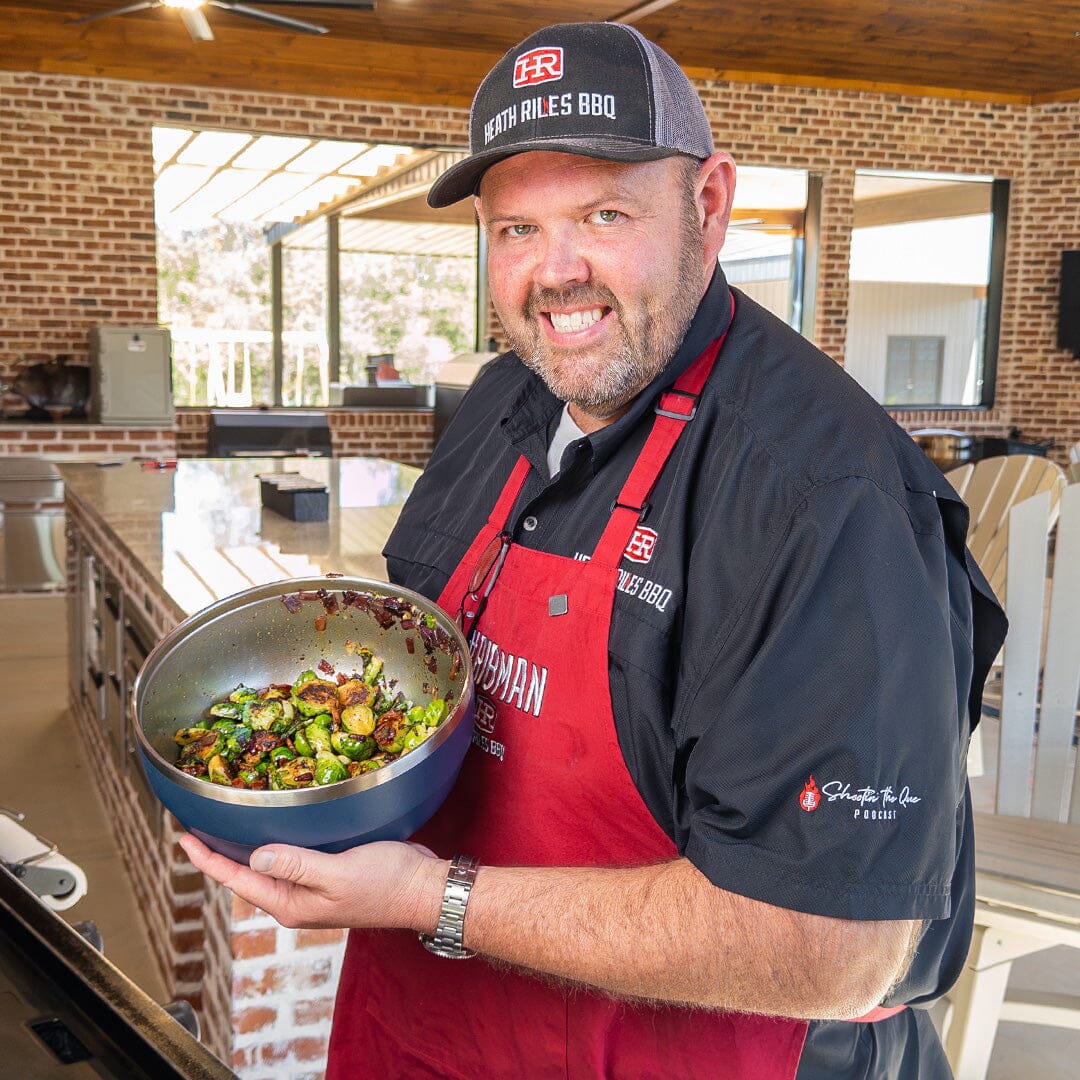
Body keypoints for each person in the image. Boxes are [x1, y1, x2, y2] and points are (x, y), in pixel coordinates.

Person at [181, 21, 1007, 1079]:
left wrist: (432, 898)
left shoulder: (827, 498)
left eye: (604, 215)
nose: (556, 273)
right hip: (428, 1029)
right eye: (517, 229)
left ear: (708, 204)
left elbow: (830, 949)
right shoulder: (503, 403)